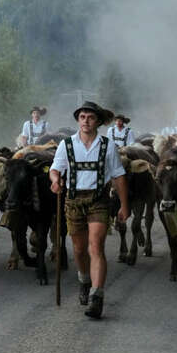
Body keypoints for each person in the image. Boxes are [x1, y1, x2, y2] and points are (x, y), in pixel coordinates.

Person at [49, 101, 129, 320]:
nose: (86, 121)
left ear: (98, 122)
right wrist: (55, 180)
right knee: (79, 249)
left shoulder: (107, 145)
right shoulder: (66, 144)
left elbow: (118, 176)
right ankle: (84, 279)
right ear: (78, 120)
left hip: (98, 201)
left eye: (90, 117)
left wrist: (124, 205)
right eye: (82, 117)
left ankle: (97, 296)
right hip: (73, 201)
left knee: (96, 247)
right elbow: (56, 169)